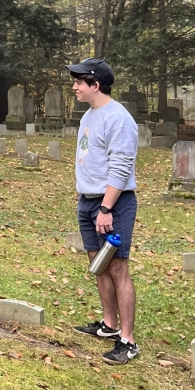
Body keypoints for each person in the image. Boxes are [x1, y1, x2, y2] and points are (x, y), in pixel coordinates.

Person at [68, 57, 140, 364]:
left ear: (96, 85)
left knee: (117, 268)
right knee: (98, 265)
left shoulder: (118, 118)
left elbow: (121, 168)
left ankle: (128, 340)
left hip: (112, 204)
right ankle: (109, 325)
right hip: (89, 201)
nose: (74, 87)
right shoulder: (90, 115)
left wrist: (107, 208)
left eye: (79, 82)